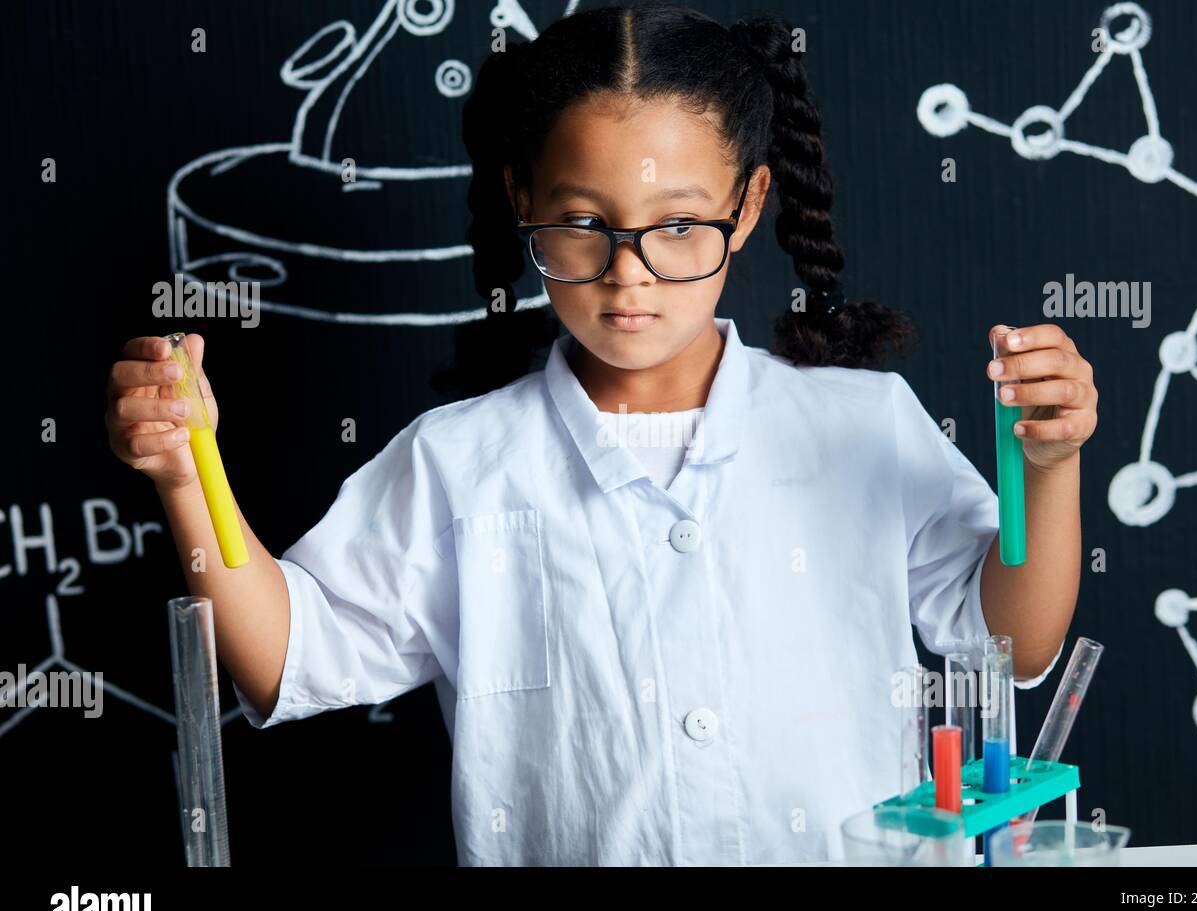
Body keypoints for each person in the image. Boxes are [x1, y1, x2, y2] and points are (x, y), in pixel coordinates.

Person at [104, 4, 1097, 865]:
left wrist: (1046, 470)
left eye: (676, 227)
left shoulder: (860, 422)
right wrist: (188, 473)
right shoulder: (460, 461)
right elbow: (284, 656)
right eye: (582, 223)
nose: (629, 276)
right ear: (521, 199)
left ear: (747, 205)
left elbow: (1009, 638)